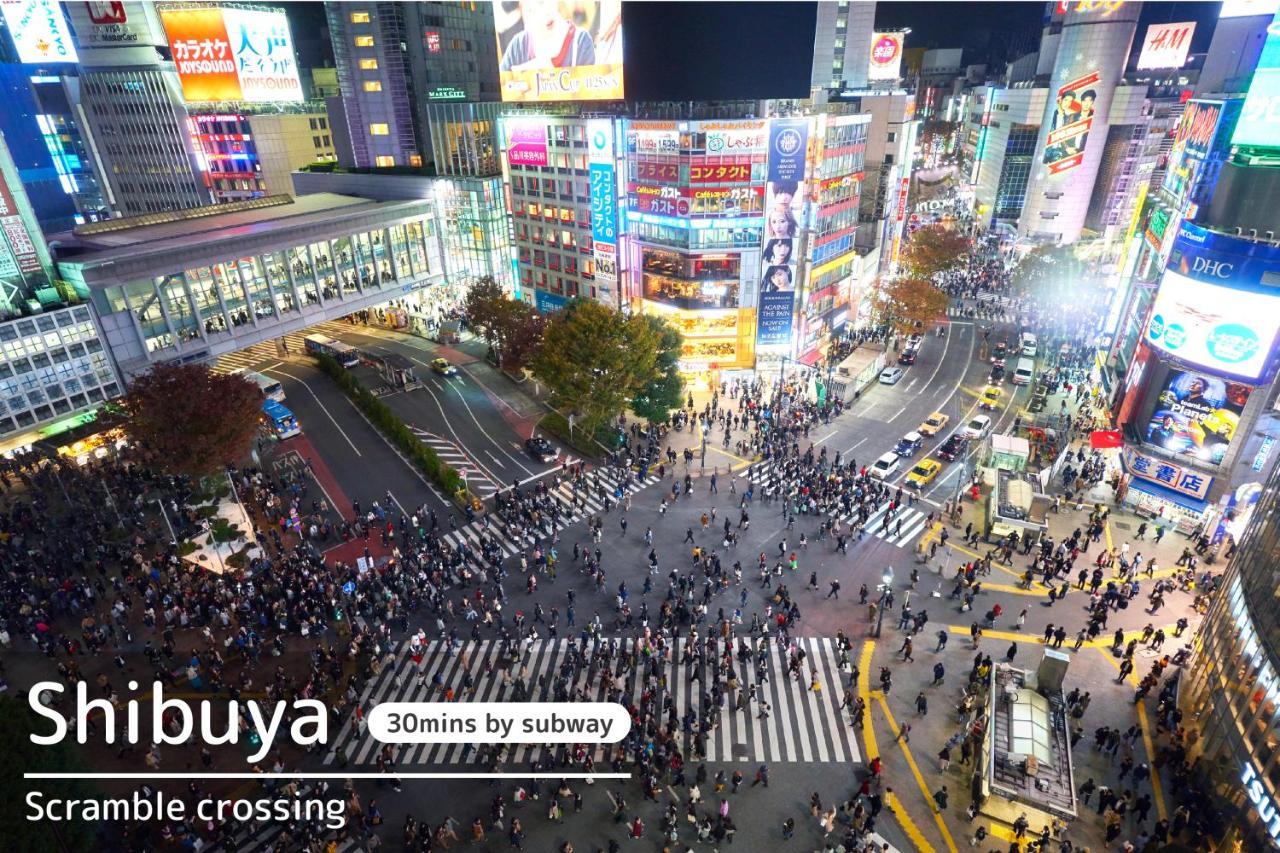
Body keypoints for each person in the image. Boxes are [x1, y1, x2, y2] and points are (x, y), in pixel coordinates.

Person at [499, 0, 596, 72]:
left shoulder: (580, 41)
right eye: (536, 5)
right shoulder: (518, 46)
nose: (545, 11)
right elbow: (497, 90)